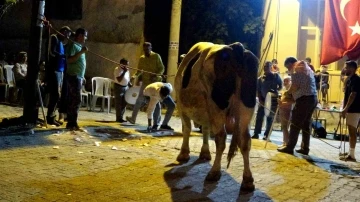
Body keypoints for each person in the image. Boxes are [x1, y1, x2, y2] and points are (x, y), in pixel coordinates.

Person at [277, 57, 317, 155]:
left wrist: (286, 93)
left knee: (295, 123)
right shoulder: (307, 68)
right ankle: (305, 147)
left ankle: (290, 147)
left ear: (290, 64)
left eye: (287, 67)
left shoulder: (296, 70)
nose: (288, 70)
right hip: (313, 98)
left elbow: (294, 87)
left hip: (304, 100)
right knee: (305, 125)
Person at [126, 42, 165, 124]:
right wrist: (133, 77)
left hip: (155, 83)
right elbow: (139, 71)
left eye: (148, 49)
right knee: (139, 100)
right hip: (146, 82)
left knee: (156, 102)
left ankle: (157, 121)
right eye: (145, 49)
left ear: (151, 48)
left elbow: (161, 68)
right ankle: (133, 118)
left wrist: (155, 75)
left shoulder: (156, 56)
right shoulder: (142, 58)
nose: (146, 51)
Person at [46, 26, 72, 126]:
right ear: (64, 32)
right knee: (55, 94)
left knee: (58, 95)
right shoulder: (54, 38)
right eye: (67, 34)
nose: (68, 37)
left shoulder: (62, 43)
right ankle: (50, 117)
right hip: (54, 70)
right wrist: (63, 56)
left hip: (60, 71)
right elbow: (52, 52)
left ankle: (52, 116)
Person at [252, 61, 282, 140]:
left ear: (271, 67)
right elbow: (258, 90)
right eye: (265, 66)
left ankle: (267, 135)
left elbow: (280, 86)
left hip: (272, 100)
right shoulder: (260, 79)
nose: (265, 68)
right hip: (263, 100)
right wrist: (261, 99)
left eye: (267, 66)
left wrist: (275, 93)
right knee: (259, 117)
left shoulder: (276, 76)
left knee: (270, 118)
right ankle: (256, 133)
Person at [65, 28, 88, 130]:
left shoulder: (79, 46)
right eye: (85, 35)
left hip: (78, 76)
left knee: (75, 99)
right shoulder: (73, 45)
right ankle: (72, 122)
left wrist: (82, 76)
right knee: (76, 100)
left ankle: (72, 122)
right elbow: (69, 60)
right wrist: (81, 52)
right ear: (79, 35)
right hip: (73, 76)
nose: (86, 38)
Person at [340, 60, 360, 162]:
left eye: (346, 67)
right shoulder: (350, 79)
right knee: (350, 131)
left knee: (352, 131)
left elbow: (353, 95)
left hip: (355, 109)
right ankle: (350, 152)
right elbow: (347, 95)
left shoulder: (356, 80)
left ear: (352, 68)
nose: (345, 69)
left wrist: (345, 108)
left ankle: (352, 155)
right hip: (350, 109)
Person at [114, 58, 132, 123]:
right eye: (126, 65)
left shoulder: (127, 70)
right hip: (119, 87)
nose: (127, 66)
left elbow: (128, 79)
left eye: (127, 65)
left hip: (126, 87)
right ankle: (118, 118)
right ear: (121, 64)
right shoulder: (117, 69)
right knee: (118, 103)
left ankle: (121, 117)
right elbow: (119, 80)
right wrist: (124, 72)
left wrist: (130, 85)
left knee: (124, 103)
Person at [278, 76, 294, 146]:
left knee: (286, 127)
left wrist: (283, 103)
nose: (285, 82)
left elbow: (293, 101)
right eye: (284, 81)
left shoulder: (291, 90)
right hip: (282, 109)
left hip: (288, 110)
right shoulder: (283, 89)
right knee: (284, 127)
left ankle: (287, 142)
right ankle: (285, 141)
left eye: (286, 81)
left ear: (290, 81)